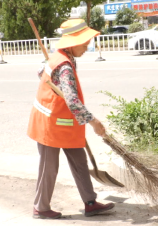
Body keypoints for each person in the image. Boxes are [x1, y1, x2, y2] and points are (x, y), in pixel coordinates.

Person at [27, 19, 115, 219]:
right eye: (84, 43)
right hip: (49, 124)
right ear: (72, 43)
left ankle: (90, 202)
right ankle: (40, 208)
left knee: (80, 161)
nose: (87, 47)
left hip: (66, 123)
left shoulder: (60, 58)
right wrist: (95, 122)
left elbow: (40, 72)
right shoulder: (64, 65)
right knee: (49, 167)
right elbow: (73, 101)